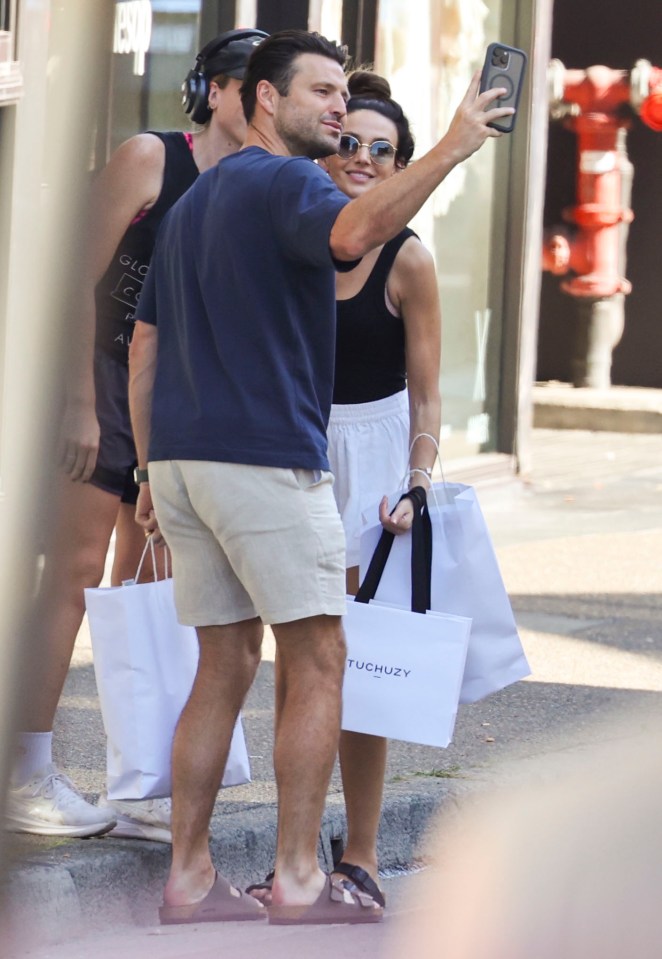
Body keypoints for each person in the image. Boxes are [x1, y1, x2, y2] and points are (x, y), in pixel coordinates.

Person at [128, 29, 512, 924]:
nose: (340, 110)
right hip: (264, 459)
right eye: (323, 93)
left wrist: (151, 466)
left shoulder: (196, 202)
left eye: (347, 94)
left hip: (184, 461)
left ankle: (189, 877)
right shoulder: (289, 180)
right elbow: (355, 229)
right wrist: (456, 142)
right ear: (266, 100)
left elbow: (144, 346)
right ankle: (300, 877)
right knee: (321, 658)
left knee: (222, 663)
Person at [5, 28, 267, 841]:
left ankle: (139, 780)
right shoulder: (151, 158)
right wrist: (80, 399)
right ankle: (24, 769)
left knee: (149, 583)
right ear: (213, 92)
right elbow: (68, 273)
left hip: (175, 398)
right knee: (76, 573)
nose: (259, 104)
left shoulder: (264, 185)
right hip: (100, 379)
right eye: (245, 87)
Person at [247, 70, 441, 911]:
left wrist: (420, 483)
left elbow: (430, 393)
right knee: (300, 661)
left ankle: (356, 853)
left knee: (363, 672)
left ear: (400, 163)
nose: (362, 159)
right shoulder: (290, 240)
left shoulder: (409, 257)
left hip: (378, 472)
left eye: (382, 150)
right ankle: (296, 851)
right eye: (350, 142)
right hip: (296, 451)